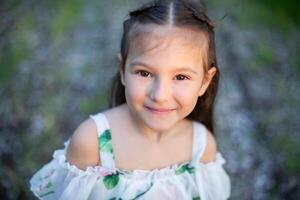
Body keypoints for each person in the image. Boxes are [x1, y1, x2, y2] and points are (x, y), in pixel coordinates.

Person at [30, 0, 231, 199]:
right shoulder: (90, 143)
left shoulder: (202, 146)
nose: (160, 95)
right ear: (123, 70)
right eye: (144, 73)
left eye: (181, 77)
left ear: (205, 81)